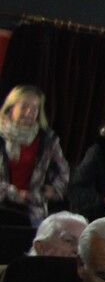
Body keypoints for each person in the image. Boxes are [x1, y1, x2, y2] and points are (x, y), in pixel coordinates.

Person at [1, 85, 70, 226]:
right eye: (24, 107)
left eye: (35, 109)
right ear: (11, 108)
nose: (29, 113)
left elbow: (64, 171)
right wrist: (15, 194)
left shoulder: (47, 140)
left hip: (33, 210)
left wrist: (55, 190)